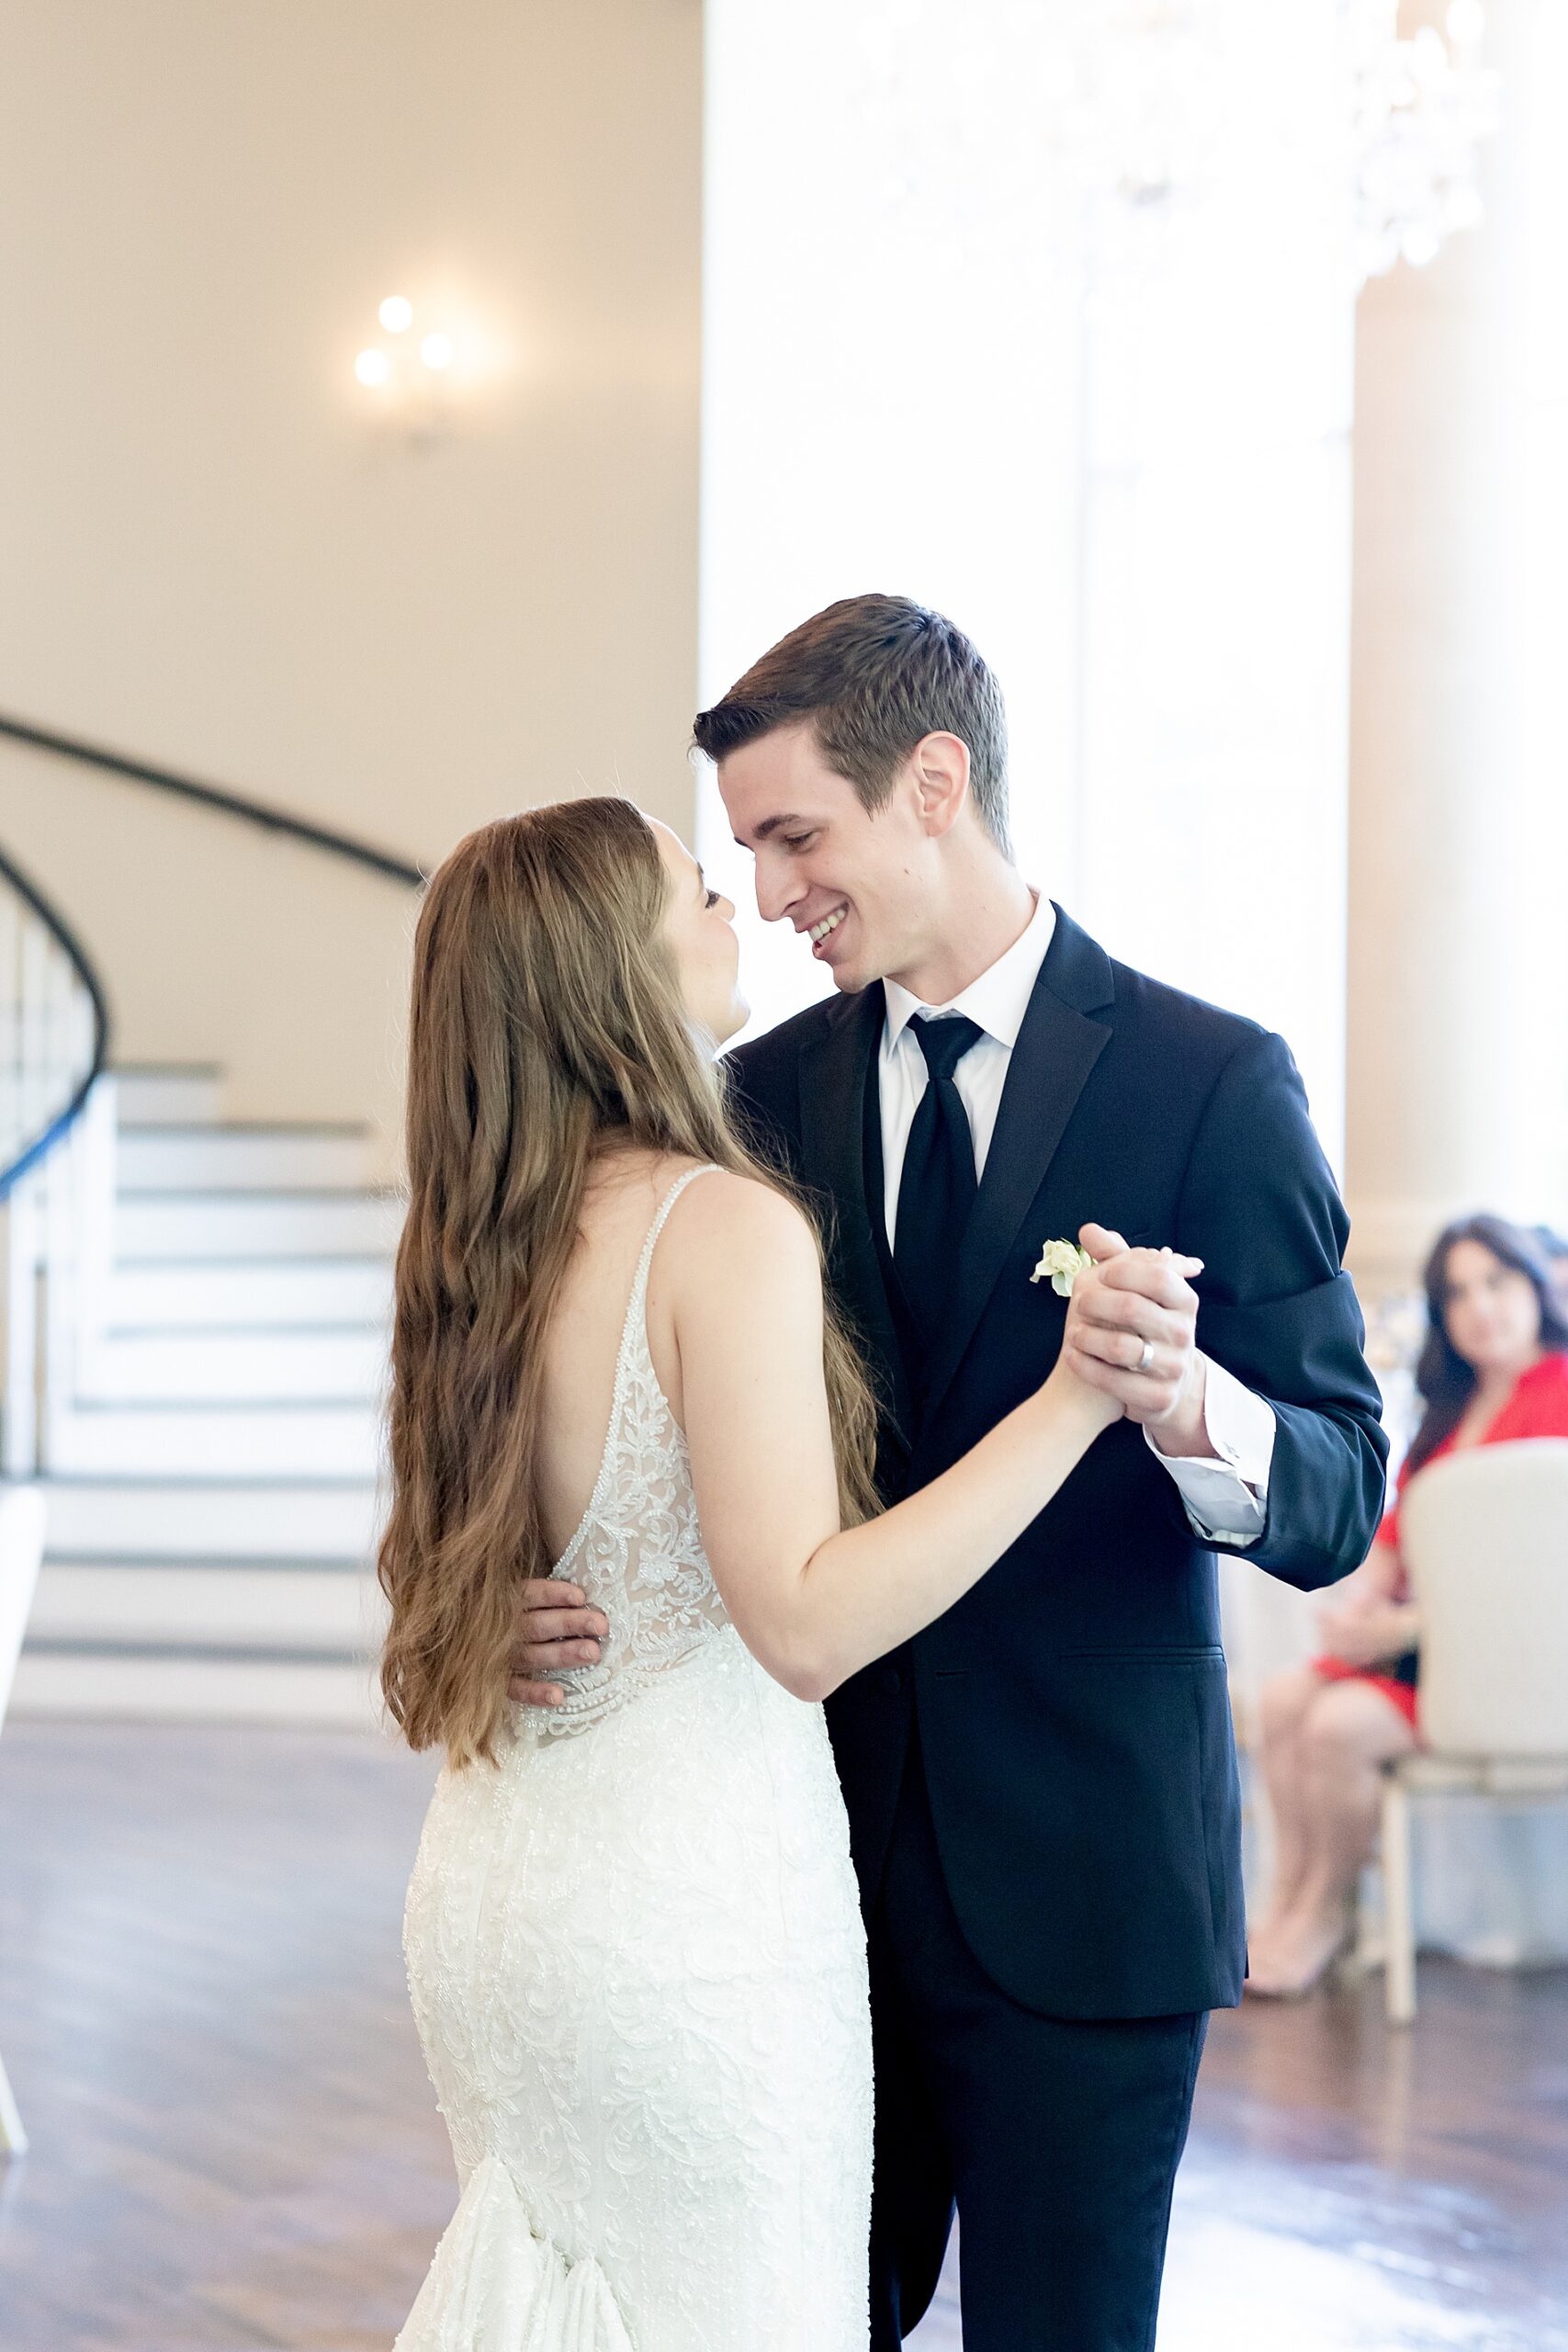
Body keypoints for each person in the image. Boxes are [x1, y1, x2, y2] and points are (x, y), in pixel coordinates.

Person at [513, 595, 1387, 2352]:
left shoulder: (1212, 1083)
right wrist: (516, 1593)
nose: (767, 895)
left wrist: (1188, 1401)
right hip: (790, 1890)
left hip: (1087, 1898)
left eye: (792, 837)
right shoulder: (750, 1105)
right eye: (747, 852)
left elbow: (1337, 1488)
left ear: (932, 782)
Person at [381, 797, 1158, 2351]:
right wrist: (1075, 1396)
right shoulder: (715, 1223)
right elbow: (802, 1623)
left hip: (496, 1911)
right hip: (688, 1931)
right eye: (696, 887)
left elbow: (448, 1595)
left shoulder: (471, 1240)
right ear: (615, 963)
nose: (737, 904)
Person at [1249, 1213, 1568, 1997]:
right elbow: (1390, 1547)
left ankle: (1324, 1912)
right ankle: (1288, 1901)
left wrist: (1403, 1626)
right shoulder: (1443, 1417)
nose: (1479, 1306)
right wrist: (1361, 1610)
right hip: (1425, 1645)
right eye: (1456, 1292)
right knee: (1282, 1698)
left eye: (1496, 1281)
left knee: (1334, 1727)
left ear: (1534, 1286)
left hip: (1510, 1660)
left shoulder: (1558, 1394)